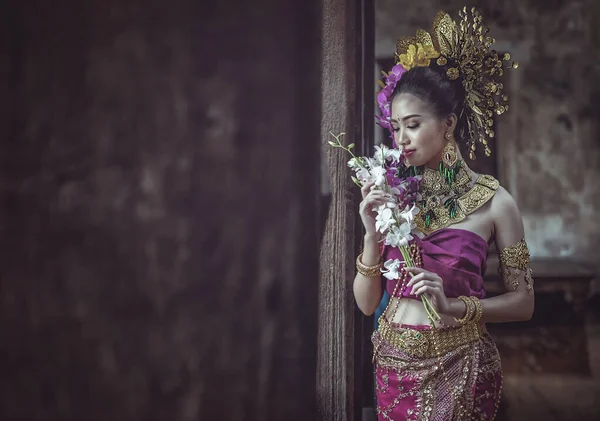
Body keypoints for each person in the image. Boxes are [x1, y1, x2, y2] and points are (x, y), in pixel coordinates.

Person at [354, 8, 535, 421]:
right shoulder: (392, 196)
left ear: (448, 123)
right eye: (395, 127)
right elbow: (366, 306)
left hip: (462, 366)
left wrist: (456, 306)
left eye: (413, 125)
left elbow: (523, 302)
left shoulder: (496, 202)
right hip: (392, 366)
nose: (401, 140)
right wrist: (370, 235)